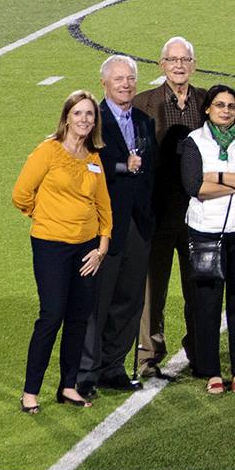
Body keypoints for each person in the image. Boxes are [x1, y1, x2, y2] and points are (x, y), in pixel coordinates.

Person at [14, 91, 112, 413]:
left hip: (87, 249)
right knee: (52, 315)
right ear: (67, 117)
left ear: (94, 121)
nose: (84, 119)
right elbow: (21, 194)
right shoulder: (48, 151)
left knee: (78, 318)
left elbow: (104, 206)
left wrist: (102, 245)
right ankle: (30, 392)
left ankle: (68, 387)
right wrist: (45, 217)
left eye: (89, 114)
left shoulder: (94, 158)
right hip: (51, 246)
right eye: (78, 113)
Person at [178, 85, 235, 394]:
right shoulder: (195, 141)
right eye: (219, 105)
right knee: (207, 304)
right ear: (208, 108)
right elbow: (194, 186)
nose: (226, 111)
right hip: (206, 232)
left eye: (231, 106)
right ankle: (211, 371)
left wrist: (216, 177)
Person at [78, 56, 155, 398]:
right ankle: (86, 372)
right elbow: (85, 167)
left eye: (131, 79)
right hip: (102, 227)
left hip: (138, 223)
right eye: (119, 79)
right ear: (104, 83)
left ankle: (113, 367)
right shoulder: (91, 119)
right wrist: (124, 166)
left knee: (129, 299)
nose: (126, 84)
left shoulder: (143, 120)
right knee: (96, 302)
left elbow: (151, 171)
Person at [131, 36, 207, 379]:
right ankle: (148, 357)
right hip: (157, 212)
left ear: (193, 65)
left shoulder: (207, 100)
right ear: (161, 65)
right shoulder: (142, 103)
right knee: (152, 290)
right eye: (172, 60)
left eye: (184, 59)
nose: (179, 65)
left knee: (199, 286)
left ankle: (201, 353)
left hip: (199, 213)